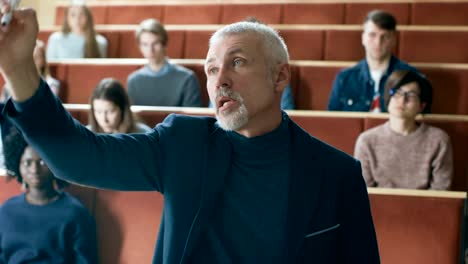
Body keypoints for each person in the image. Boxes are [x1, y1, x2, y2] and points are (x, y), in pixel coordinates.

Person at [0, 5, 380, 263]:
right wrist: (19, 69)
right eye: (211, 69)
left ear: (280, 75)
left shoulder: (337, 175)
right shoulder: (182, 143)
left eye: (237, 62)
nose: (220, 80)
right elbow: (76, 158)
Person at [0, 126, 97, 263]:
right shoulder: (6, 210)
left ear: (56, 164)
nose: (34, 170)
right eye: (27, 163)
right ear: (18, 165)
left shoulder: (75, 213)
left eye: (42, 162)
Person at [354, 70, 453, 190]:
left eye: (410, 95)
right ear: (388, 98)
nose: (402, 100)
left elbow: (441, 191)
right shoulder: (367, 141)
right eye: (396, 92)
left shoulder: (438, 140)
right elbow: (363, 193)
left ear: (422, 105)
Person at [328, 10, 420, 113]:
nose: (378, 42)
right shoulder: (344, 78)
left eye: (385, 37)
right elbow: (333, 121)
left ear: (394, 39)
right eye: (372, 35)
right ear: (363, 38)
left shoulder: (410, 76)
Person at [126, 19, 202, 107]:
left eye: (155, 43)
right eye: (145, 44)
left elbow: (192, 117)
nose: (150, 50)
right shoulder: (133, 81)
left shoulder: (187, 78)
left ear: (164, 44)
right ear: (140, 47)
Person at [88, 78, 152, 133]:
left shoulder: (144, 134)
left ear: (123, 109)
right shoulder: (86, 134)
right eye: (98, 112)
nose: (104, 120)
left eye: (110, 111)